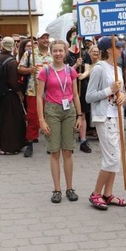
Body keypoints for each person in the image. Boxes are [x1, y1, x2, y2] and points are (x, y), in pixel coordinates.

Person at [36, 40, 83, 203]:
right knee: (55, 151)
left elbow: (76, 95)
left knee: (68, 151)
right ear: (50, 52)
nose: (58, 54)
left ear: (65, 52)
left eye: (60, 51)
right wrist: (41, 120)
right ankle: (57, 189)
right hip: (53, 111)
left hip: (69, 111)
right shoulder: (45, 72)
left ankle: (70, 188)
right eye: (54, 51)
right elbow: (39, 96)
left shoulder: (71, 71)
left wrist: (79, 115)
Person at [86, 36, 126, 210]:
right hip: (105, 117)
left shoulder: (118, 69)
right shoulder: (99, 69)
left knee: (117, 158)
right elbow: (89, 96)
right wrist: (109, 90)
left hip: (117, 117)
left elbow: (123, 94)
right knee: (111, 158)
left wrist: (123, 97)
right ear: (110, 50)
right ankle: (96, 193)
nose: (121, 51)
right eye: (118, 47)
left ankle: (107, 193)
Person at [19, 31, 52, 157]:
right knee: (33, 117)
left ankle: (51, 143)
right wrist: (29, 70)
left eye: (47, 38)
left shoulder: (52, 54)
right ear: (37, 40)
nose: (45, 40)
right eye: (43, 38)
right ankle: (30, 143)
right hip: (33, 90)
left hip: (50, 91)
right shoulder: (30, 53)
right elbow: (20, 69)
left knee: (50, 116)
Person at [0, 37, 27, 155]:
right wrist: (19, 93)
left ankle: (3, 146)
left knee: (3, 120)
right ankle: (11, 147)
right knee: (12, 121)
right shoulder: (12, 62)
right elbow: (13, 81)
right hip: (10, 94)